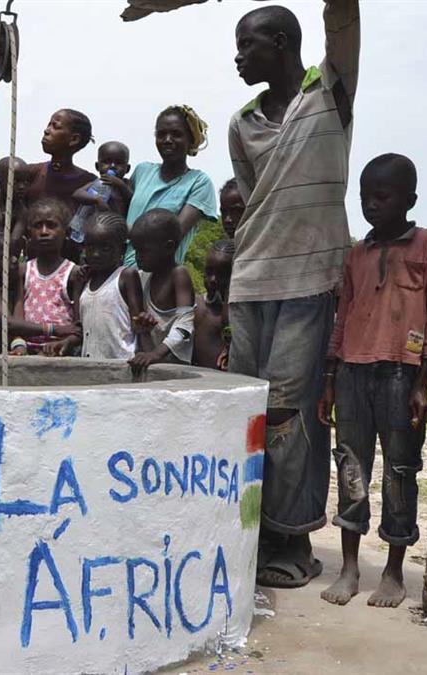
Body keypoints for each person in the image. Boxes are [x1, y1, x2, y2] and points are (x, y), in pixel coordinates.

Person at [226, 0, 359, 588]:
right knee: (251, 414)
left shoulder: (330, 91)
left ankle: (294, 537)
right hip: (251, 277)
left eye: (247, 45)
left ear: (280, 43)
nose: (237, 57)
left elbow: (344, 21)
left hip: (309, 280)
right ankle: (255, 533)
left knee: (289, 411)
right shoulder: (242, 122)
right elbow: (257, 200)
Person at [315, 154, 427, 607]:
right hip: (352, 371)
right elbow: (341, 315)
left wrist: (423, 382)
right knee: (350, 467)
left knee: (400, 473)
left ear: (409, 199)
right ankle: (349, 567)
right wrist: (330, 378)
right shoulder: (356, 254)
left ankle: (392, 571)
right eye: (365, 197)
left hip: (401, 374)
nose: (372, 205)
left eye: (382, 197)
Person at [124, 106, 217, 268]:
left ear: (190, 139)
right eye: (161, 134)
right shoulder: (142, 171)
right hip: (120, 274)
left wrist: (120, 229)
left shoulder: (199, 182)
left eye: (176, 134)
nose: (167, 139)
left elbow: (173, 235)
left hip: (158, 276)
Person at [48, 212, 144, 360]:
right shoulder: (85, 281)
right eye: (91, 248)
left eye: (105, 248)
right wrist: (67, 342)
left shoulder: (126, 276)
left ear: (122, 250)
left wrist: (143, 354)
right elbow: (80, 327)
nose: (96, 254)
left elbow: (139, 325)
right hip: (91, 366)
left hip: (122, 364)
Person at [11, 197, 83, 355]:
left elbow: (78, 329)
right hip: (26, 351)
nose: (44, 232)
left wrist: (63, 343)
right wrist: (19, 345)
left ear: (66, 232)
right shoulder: (24, 271)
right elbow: (17, 322)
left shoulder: (73, 273)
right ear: (29, 233)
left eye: (51, 225)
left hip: (60, 353)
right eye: (37, 226)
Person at [127, 209, 196, 372]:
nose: (138, 257)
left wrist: (156, 354)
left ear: (169, 247)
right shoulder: (143, 277)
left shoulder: (178, 275)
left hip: (175, 369)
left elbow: (185, 324)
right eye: (136, 250)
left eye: (144, 251)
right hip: (149, 365)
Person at [27, 109, 98, 217]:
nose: (46, 130)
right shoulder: (30, 173)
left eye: (55, 127)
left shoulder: (89, 183)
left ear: (74, 139)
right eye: (49, 125)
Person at [68, 141, 132, 252]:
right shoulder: (96, 183)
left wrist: (120, 185)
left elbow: (132, 201)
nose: (112, 166)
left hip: (115, 234)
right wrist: (96, 200)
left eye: (118, 163)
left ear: (127, 169)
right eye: (106, 162)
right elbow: (77, 194)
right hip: (92, 232)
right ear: (98, 166)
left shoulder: (126, 185)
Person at [193, 240, 233, 370]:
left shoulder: (242, 313)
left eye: (222, 274)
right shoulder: (198, 307)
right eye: (209, 272)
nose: (213, 279)